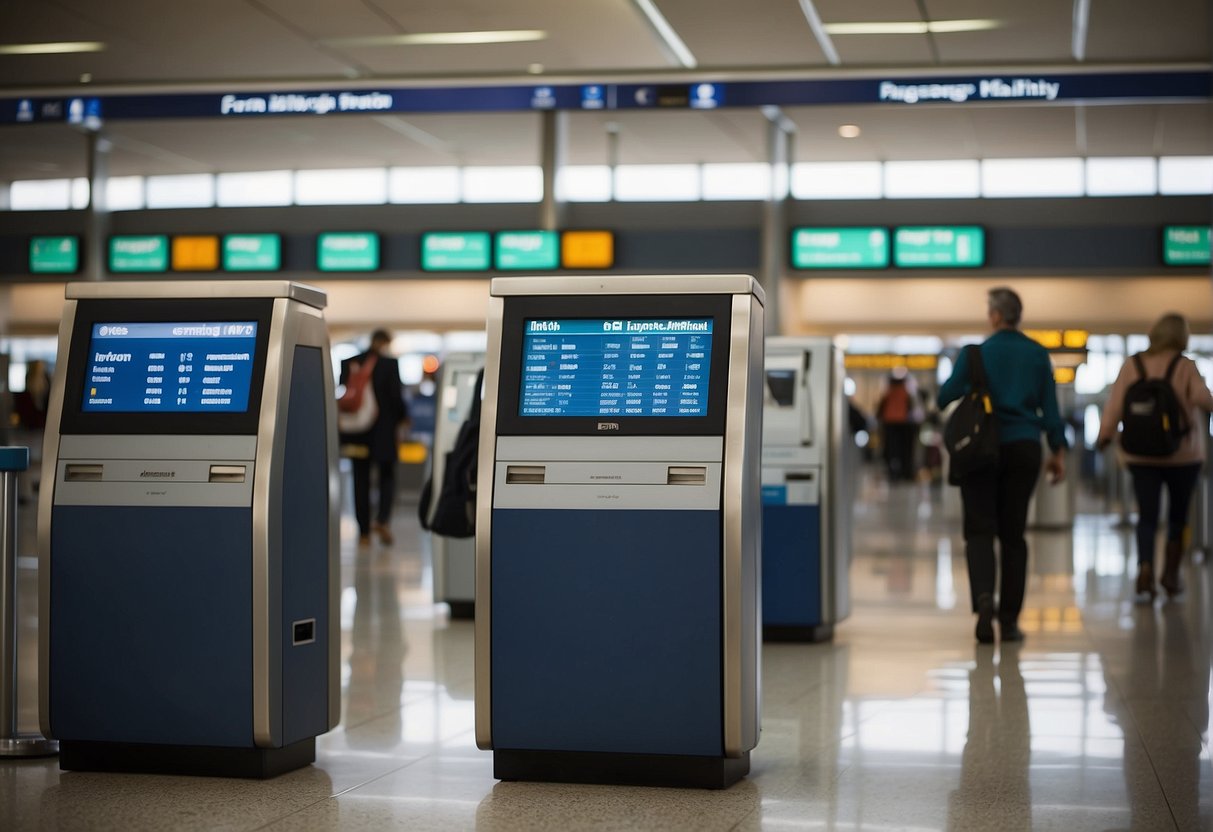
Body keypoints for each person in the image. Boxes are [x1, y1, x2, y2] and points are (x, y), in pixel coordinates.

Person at [938, 287, 1067, 644]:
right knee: (1013, 536)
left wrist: (972, 385)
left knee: (979, 530)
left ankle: (983, 605)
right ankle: (1009, 621)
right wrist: (1058, 451)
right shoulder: (1038, 354)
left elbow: (943, 397)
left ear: (995, 316)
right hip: (1025, 446)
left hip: (981, 450)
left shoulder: (975, 354)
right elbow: (1051, 411)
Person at [1096, 313, 1213, 601]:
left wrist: (1105, 436)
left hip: (1140, 455)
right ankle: (1171, 574)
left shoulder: (1133, 365)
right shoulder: (1185, 366)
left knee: (1146, 516)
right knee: (1178, 516)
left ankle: (1145, 570)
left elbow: (1114, 406)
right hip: (1183, 455)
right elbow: (1203, 399)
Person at [340, 330, 409, 546]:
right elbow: (396, 398)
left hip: (357, 432)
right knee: (387, 475)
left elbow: (345, 395)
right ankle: (381, 519)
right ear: (385, 343)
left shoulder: (350, 362)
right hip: (383, 433)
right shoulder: (389, 364)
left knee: (360, 479)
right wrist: (403, 418)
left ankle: (363, 532)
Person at [876, 368, 921, 482]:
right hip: (904, 424)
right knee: (905, 450)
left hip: (890, 424)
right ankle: (906, 473)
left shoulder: (888, 393)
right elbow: (910, 408)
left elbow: (880, 410)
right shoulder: (905, 393)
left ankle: (893, 473)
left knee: (892, 450)